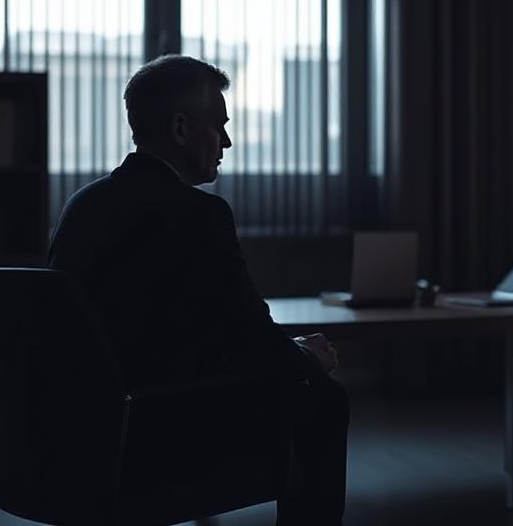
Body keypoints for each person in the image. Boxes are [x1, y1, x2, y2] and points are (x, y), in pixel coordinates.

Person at [48, 54, 348, 525]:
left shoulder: (81, 205)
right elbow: (249, 337)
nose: (227, 141)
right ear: (182, 127)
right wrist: (306, 359)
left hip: (77, 429)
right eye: (220, 126)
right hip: (161, 427)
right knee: (323, 399)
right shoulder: (198, 214)